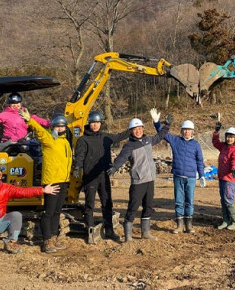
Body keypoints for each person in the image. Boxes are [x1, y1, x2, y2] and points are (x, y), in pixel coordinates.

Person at [107, 114, 171, 242]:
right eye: (135, 129)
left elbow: (159, 136)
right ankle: (128, 236)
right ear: (131, 131)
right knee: (133, 207)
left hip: (149, 179)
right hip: (138, 181)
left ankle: (145, 232)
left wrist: (167, 125)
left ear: (143, 129)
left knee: (148, 206)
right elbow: (122, 158)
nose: (138, 131)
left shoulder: (148, 140)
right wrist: (114, 167)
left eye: (140, 128)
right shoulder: (129, 146)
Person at [19, 109, 72, 254]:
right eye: (57, 126)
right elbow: (39, 131)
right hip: (52, 182)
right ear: (52, 127)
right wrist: (30, 120)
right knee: (48, 212)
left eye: (62, 126)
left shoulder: (65, 142)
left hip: (63, 181)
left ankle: (53, 238)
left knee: (56, 212)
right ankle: (46, 241)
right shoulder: (49, 139)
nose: (60, 129)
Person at [74, 110, 129, 244]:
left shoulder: (105, 137)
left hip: (104, 176)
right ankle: (90, 230)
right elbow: (80, 156)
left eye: (98, 123)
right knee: (90, 205)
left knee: (107, 204)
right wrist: (77, 167)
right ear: (89, 123)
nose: (95, 125)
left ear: (100, 124)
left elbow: (119, 136)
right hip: (90, 177)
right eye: (93, 123)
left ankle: (109, 231)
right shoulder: (83, 140)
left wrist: (132, 129)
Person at [152, 109, 205, 234]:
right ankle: (179, 225)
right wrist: (157, 122)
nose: (186, 132)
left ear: (193, 131)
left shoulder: (196, 145)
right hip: (178, 176)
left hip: (191, 177)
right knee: (179, 201)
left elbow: (199, 161)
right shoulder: (176, 141)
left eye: (189, 130)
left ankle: (189, 225)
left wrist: (201, 175)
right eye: (184, 129)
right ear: (182, 131)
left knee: (189, 201)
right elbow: (162, 132)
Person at [212, 122, 235, 230]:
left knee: (229, 199)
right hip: (222, 177)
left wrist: (234, 169)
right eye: (228, 137)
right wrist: (216, 132)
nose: (229, 139)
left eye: (231, 137)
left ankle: (234, 222)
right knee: (223, 200)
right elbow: (215, 143)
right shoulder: (224, 147)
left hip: (229, 179)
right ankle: (225, 220)